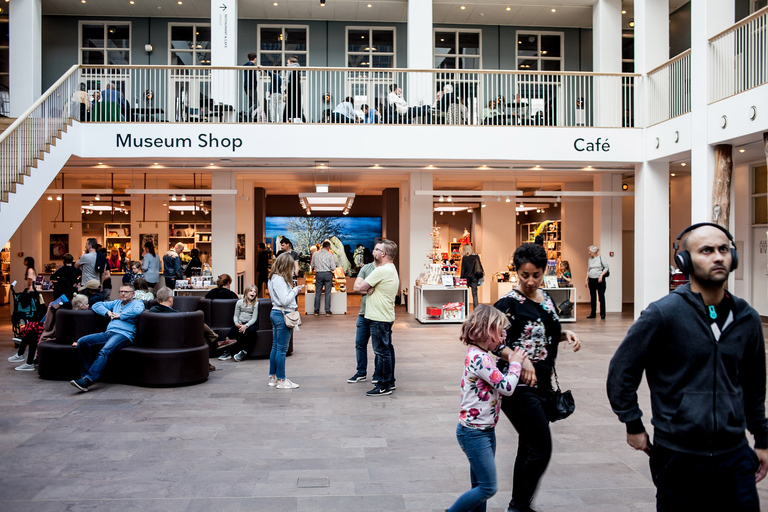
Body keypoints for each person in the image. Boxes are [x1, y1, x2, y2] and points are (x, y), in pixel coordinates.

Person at [607, 223, 768, 511]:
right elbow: (623, 371)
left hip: (735, 453)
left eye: (723, 249)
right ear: (685, 261)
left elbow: (754, 383)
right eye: (706, 251)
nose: (718, 257)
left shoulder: (747, 318)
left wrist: (762, 438)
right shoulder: (663, 314)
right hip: (678, 454)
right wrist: (633, 423)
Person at [493, 243, 581, 512]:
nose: (530, 281)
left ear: (544, 272)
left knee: (529, 446)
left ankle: (518, 504)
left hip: (543, 385)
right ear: (516, 271)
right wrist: (521, 359)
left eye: (536, 275)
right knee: (541, 448)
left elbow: (547, 330)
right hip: (516, 386)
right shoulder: (508, 304)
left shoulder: (546, 297)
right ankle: (519, 506)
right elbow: (489, 341)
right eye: (524, 275)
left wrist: (565, 335)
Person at [446, 305, 527, 512]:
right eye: (499, 333)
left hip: (483, 430)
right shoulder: (480, 358)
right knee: (487, 487)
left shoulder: (478, 353)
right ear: (486, 332)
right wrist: (515, 362)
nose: (502, 339)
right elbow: (507, 387)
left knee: (479, 486)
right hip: (475, 433)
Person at [70, 283, 145, 392]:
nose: (123, 294)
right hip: (108, 333)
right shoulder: (116, 303)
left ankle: (88, 380)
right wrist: (108, 312)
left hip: (124, 334)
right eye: (121, 291)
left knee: (105, 350)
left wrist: (120, 315)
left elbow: (137, 311)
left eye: (126, 292)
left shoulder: (137, 303)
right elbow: (96, 305)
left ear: (133, 293)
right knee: (82, 341)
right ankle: (83, 376)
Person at [357, 239, 399, 396]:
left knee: (381, 352)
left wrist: (369, 286)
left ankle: (383, 385)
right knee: (387, 349)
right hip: (385, 315)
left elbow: (361, 287)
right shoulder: (391, 268)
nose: (373, 251)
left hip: (379, 317)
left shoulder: (381, 271)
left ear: (383, 254)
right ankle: (389, 381)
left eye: (376, 249)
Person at [150, 286, 217, 372]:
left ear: (158, 300)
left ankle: (216, 339)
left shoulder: (151, 312)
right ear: (170, 299)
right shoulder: (176, 315)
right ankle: (208, 357)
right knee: (197, 332)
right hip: (176, 342)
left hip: (155, 342)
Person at [267, 252, 304, 389]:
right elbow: (285, 300)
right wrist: (295, 291)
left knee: (276, 346)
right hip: (283, 314)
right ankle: (282, 379)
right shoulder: (280, 280)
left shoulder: (273, 278)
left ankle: (273, 376)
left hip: (276, 313)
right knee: (282, 349)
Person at [347, 258, 380, 384]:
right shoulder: (366, 268)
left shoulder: (384, 269)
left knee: (378, 347)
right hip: (363, 313)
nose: (376, 251)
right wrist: (367, 289)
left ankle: (377, 374)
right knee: (360, 343)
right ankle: (361, 372)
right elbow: (356, 287)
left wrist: (365, 286)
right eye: (375, 249)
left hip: (377, 314)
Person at [217, 284, 260, 363]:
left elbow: (254, 318)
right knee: (230, 333)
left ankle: (243, 352)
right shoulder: (239, 302)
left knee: (251, 332)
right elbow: (235, 315)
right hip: (240, 322)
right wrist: (237, 323)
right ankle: (228, 352)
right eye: (251, 291)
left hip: (249, 323)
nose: (253, 293)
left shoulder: (256, 304)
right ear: (246, 292)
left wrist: (246, 326)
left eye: (255, 292)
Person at [311, 240, 336, 316]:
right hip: (328, 274)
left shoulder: (315, 254)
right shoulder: (330, 255)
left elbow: (312, 265)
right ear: (328, 247)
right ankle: (327, 311)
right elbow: (333, 267)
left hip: (318, 274)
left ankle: (316, 311)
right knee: (327, 293)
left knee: (318, 292)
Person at [584, 245, 609, 319]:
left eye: (590, 251)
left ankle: (602, 314)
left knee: (601, 297)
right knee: (593, 297)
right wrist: (586, 279)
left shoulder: (601, 258)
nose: (589, 253)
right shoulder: (590, 259)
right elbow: (589, 270)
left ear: (594, 252)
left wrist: (601, 275)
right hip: (591, 279)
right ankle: (593, 313)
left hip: (599, 280)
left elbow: (606, 267)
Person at [459, 244, 483, 308]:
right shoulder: (476, 257)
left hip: (466, 277)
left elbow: (463, 269)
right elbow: (480, 267)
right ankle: (476, 309)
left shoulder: (465, 257)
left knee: (465, 294)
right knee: (474, 294)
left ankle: (466, 309)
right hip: (474, 277)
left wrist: (461, 279)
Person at [283, 56, 304, 123]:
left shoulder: (293, 70)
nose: (287, 65)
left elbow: (292, 82)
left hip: (292, 92)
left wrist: (287, 90)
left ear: (291, 63)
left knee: (291, 107)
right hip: (294, 92)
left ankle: (285, 120)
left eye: (288, 63)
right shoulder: (295, 70)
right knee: (295, 108)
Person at [242, 52, 259, 119]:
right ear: (255, 59)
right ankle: (246, 114)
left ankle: (248, 119)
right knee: (256, 103)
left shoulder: (247, 65)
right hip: (251, 86)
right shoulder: (250, 65)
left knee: (250, 104)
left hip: (247, 87)